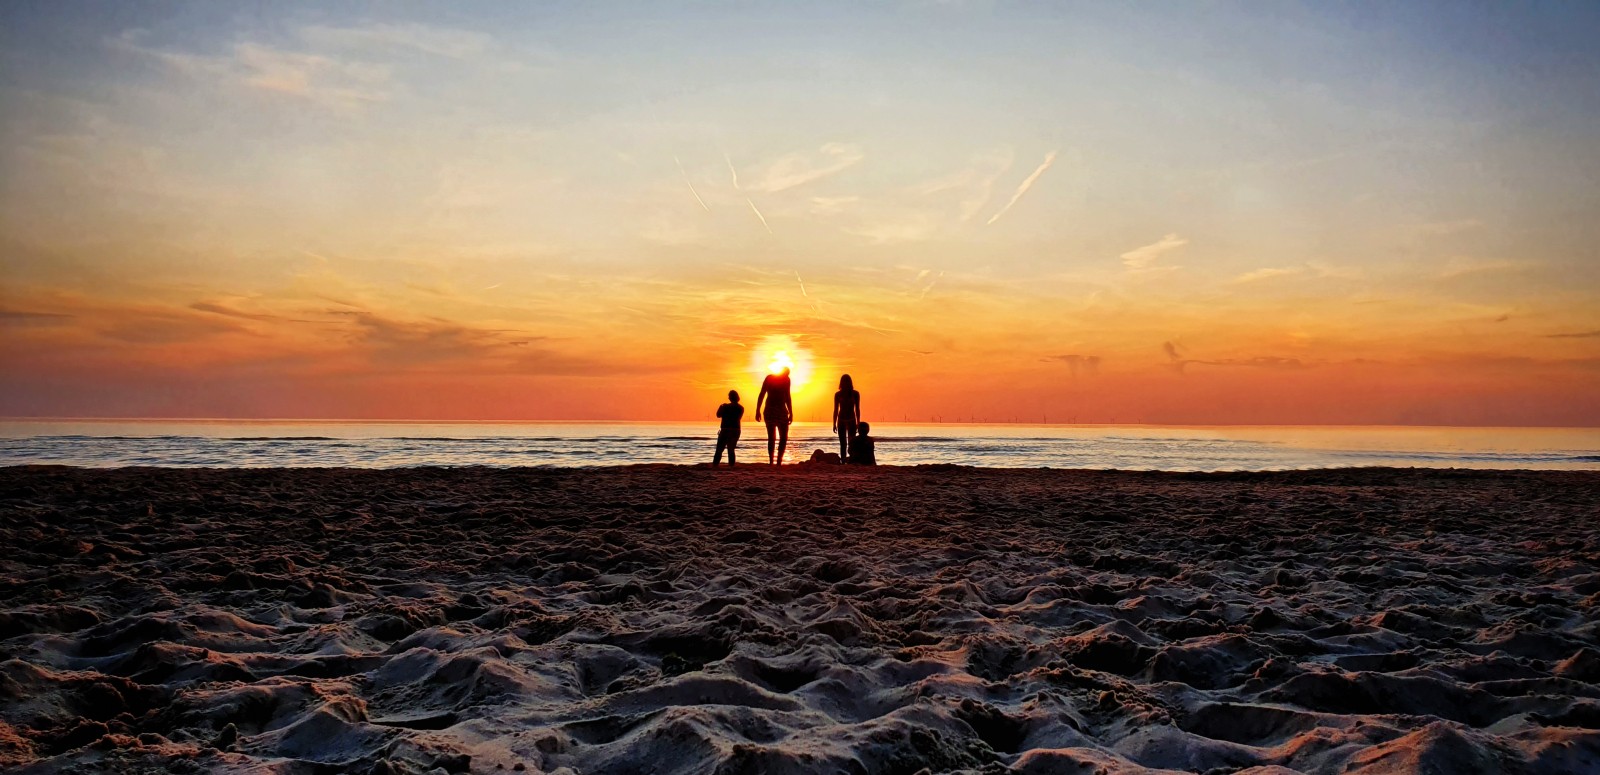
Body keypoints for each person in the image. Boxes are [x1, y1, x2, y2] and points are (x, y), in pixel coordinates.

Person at [755, 366, 793, 465]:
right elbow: (762, 394)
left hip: (782, 410)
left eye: (787, 375)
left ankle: (779, 460)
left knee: (783, 437)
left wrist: (791, 412)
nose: (786, 376)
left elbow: (788, 396)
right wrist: (757, 410)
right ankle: (771, 461)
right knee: (772, 437)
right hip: (770, 410)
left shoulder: (787, 380)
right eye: (785, 374)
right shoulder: (769, 378)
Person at [832, 374, 861, 462]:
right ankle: (843, 459)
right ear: (841, 383)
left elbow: (857, 409)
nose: (845, 383)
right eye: (844, 381)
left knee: (852, 443)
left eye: (847, 381)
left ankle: (852, 459)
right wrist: (834, 423)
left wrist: (858, 422)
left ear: (850, 382)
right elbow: (836, 410)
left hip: (852, 420)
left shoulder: (855, 394)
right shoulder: (838, 394)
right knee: (843, 443)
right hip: (841, 420)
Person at [713, 389, 743, 466]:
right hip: (736, 430)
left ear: (730, 397)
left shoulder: (725, 406)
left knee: (719, 449)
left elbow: (718, 415)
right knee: (731, 449)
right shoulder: (741, 408)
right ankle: (731, 465)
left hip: (726, 429)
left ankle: (715, 465)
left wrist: (721, 407)